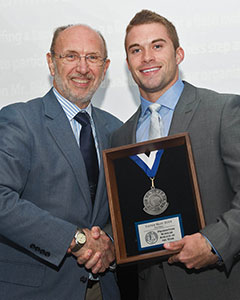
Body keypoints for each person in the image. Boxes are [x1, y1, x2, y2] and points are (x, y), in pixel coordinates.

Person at [111, 9, 240, 300]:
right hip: (151, 290)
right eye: (136, 50)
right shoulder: (121, 137)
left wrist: (213, 243)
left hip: (218, 287)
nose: (147, 57)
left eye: (157, 45)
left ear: (178, 54)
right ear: (128, 63)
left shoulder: (223, 111)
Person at [0, 24, 122, 300]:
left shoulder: (116, 130)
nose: (82, 67)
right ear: (51, 63)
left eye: (92, 58)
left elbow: (124, 209)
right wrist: (74, 239)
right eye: (70, 56)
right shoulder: (19, 120)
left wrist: (111, 244)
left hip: (103, 289)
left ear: (105, 68)